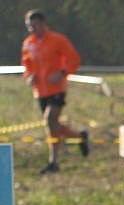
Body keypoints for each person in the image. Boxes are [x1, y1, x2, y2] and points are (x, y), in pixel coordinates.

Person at [19, 10, 89, 174]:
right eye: (29, 26)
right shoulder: (28, 43)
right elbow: (26, 65)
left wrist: (62, 73)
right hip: (40, 90)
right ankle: (79, 136)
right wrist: (29, 76)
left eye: (36, 25)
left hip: (57, 88)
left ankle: (54, 162)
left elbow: (74, 59)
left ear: (44, 24)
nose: (33, 29)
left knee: (50, 119)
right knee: (53, 124)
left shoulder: (58, 40)